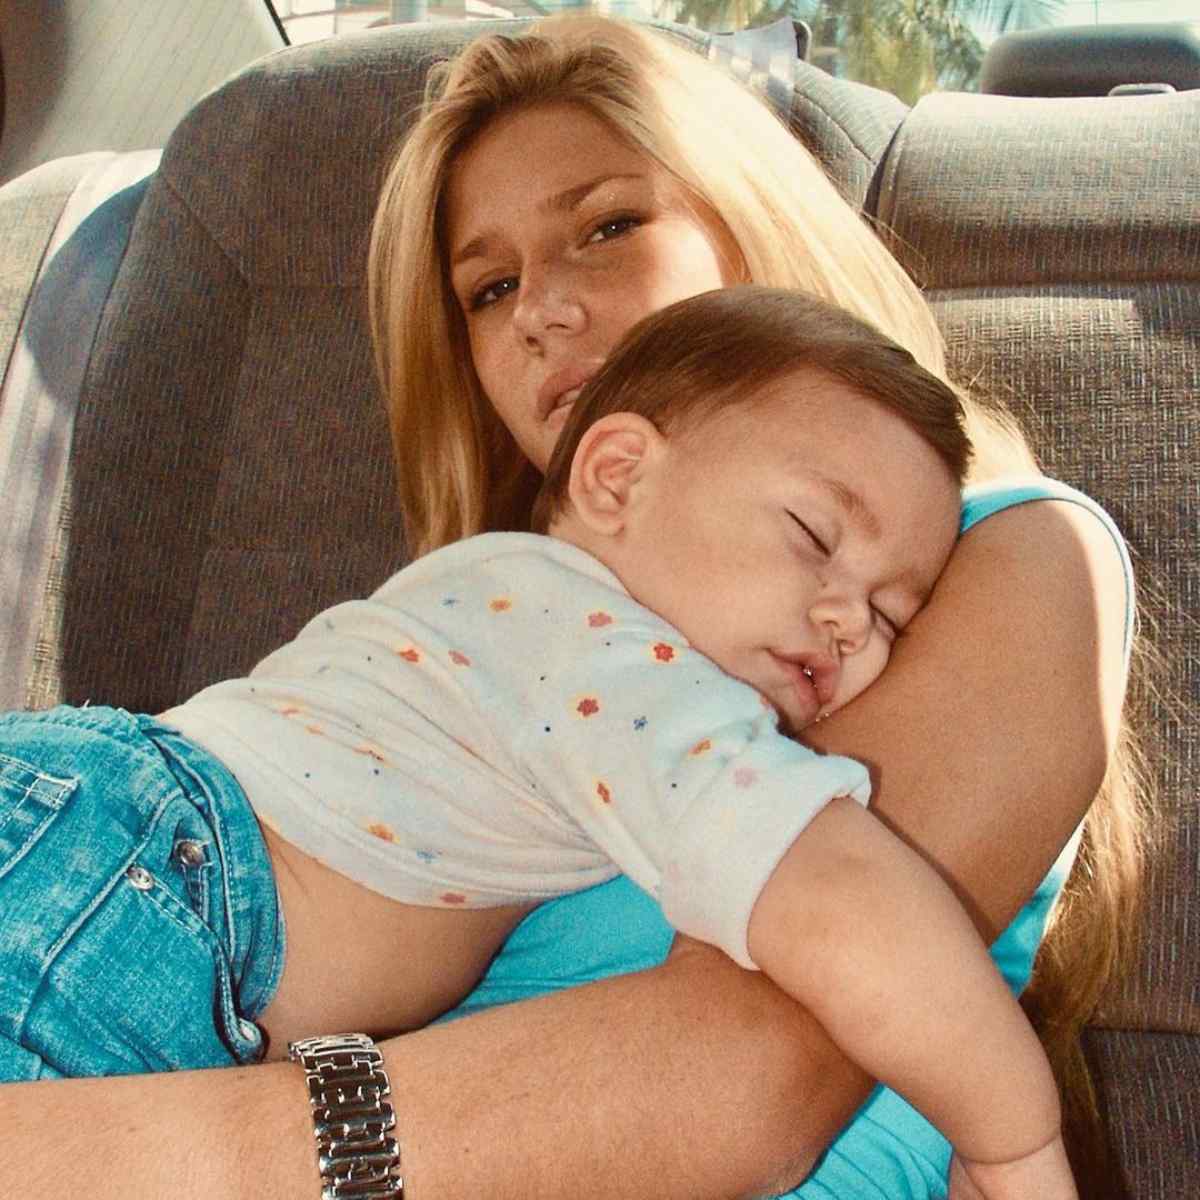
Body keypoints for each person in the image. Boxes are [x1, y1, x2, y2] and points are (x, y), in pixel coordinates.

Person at [1, 15, 1146, 1200]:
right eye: (489, 288)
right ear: (611, 471)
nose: (540, 309)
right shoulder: (545, 639)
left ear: (751, 214)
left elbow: (735, 1077)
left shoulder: (1017, 550)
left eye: (608, 227)